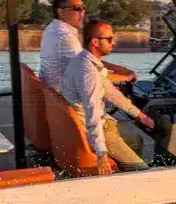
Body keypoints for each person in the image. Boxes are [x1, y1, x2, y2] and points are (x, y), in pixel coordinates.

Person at [60, 20, 152, 173]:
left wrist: (140, 115)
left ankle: (122, 177)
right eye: (109, 39)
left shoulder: (86, 61)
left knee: (137, 140)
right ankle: (134, 177)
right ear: (95, 42)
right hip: (96, 130)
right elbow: (93, 112)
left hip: (103, 122)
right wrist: (101, 153)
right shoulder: (88, 72)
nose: (113, 42)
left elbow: (110, 92)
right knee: (142, 169)